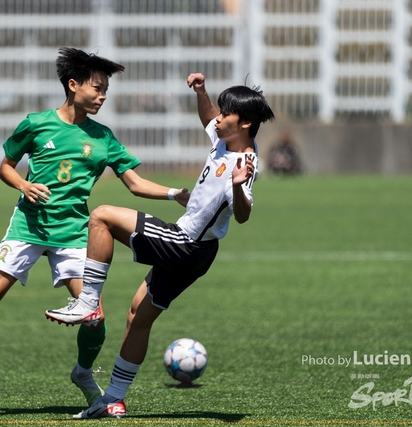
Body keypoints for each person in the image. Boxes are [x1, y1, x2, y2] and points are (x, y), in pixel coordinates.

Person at [0, 47, 189, 406]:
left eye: (106, 89)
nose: (103, 96)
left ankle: (83, 373)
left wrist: (173, 193)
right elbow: (5, 166)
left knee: (94, 315)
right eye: (97, 88)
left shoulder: (103, 137)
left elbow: (134, 184)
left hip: (74, 234)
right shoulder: (35, 123)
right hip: (27, 228)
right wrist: (23, 185)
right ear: (73, 85)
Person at [45, 72, 275, 418]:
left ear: (244, 123)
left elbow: (242, 215)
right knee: (139, 315)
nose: (219, 117)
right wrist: (202, 91)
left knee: (102, 216)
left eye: (226, 113)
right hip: (199, 253)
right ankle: (114, 399)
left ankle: (88, 302)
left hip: (184, 244)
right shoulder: (225, 141)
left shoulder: (243, 164)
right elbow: (207, 116)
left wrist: (241, 186)